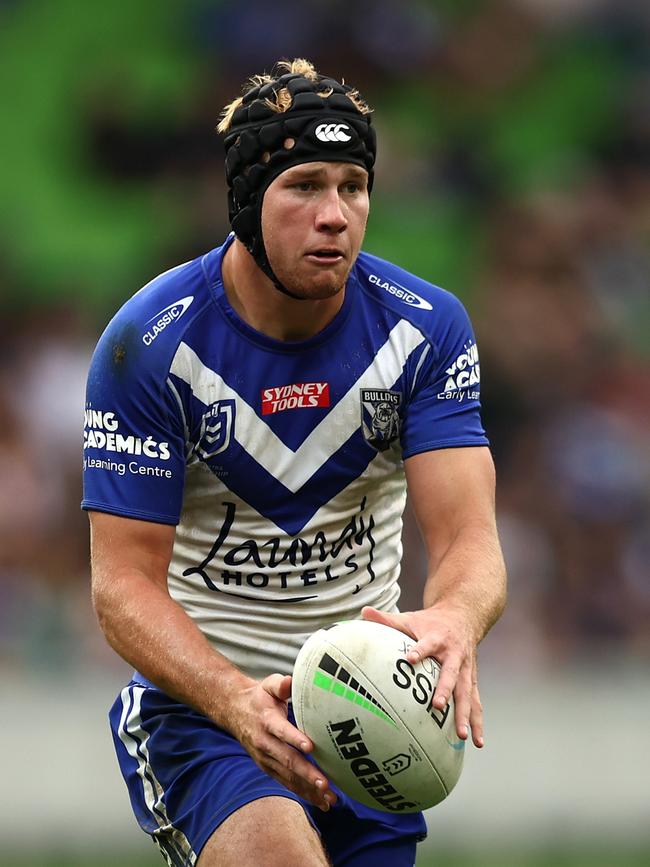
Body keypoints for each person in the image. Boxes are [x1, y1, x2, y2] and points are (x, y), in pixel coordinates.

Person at [83, 58, 506, 867]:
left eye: (354, 184)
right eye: (305, 184)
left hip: (368, 707)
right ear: (247, 200)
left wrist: (455, 617)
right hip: (203, 712)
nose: (336, 215)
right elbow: (120, 586)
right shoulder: (151, 343)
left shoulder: (426, 331)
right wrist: (234, 700)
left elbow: (468, 539)